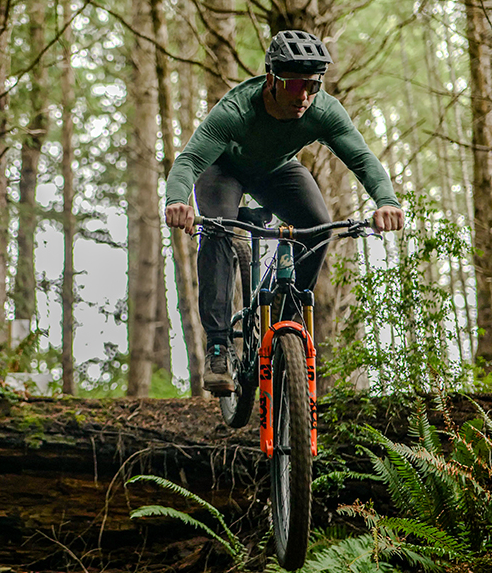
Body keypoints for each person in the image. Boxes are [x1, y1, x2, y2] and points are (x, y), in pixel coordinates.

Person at [164, 29, 405, 394]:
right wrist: (177, 200)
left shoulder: (323, 110)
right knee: (217, 231)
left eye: (313, 84)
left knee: (319, 227)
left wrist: (386, 201)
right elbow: (191, 160)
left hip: (277, 170)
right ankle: (217, 346)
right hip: (223, 171)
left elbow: (362, 158)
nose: (304, 96)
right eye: (294, 85)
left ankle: (282, 321)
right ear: (272, 79)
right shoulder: (236, 110)